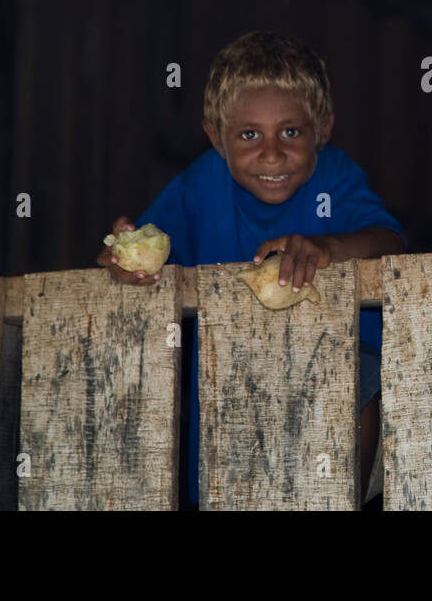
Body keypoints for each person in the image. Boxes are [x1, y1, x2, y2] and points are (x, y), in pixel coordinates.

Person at [98, 30, 405, 506]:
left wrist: (329, 247)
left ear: (323, 128)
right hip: (229, 380)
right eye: (248, 135)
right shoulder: (201, 185)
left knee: (353, 384)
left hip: (337, 368)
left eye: (291, 131)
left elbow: (390, 243)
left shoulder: (336, 176)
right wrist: (123, 255)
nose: (271, 153)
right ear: (215, 138)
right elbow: (146, 247)